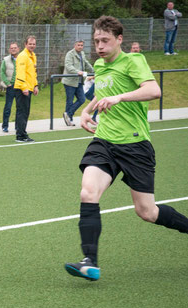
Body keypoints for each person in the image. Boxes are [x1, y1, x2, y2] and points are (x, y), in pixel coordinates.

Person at [65, 16, 188, 282]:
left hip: (135, 145)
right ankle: (89, 261)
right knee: (88, 192)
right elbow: (103, 90)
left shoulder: (134, 60)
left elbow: (154, 90)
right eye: (96, 41)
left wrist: (119, 98)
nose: (99, 46)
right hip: (105, 142)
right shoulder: (99, 64)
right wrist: (86, 111)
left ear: (119, 40)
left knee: (147, 212)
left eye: (105, 41)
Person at [61, 40, 94, 127]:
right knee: (70, 101)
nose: (80, 47)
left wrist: (94, 71)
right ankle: (69, 119)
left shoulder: (82, 54)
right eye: (78, 45)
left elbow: (86, 63)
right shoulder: (70, 54)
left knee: (82, 99)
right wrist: (77, 71)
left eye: (81, 45)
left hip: (79, 81)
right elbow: (68, 66)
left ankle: (68, 114)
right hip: (70, 81)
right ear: (75, 45)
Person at [13, 36, 38, 142]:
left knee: (25, 112)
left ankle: (22, 132)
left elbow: (33, 72)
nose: (32, 46)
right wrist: (24, 87)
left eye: (34, 44)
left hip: (29, 87)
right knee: (22, 112)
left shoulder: (33, 56)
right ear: (25, 44)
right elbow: (20, 73)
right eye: (30, 44)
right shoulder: (23, 56)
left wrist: (35, 85)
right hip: (22, 88)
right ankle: (20, 135)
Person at [0, 42, 20, 133]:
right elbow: (2, 73)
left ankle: (17, 126)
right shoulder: (6, 60)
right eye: (11, 48)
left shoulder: (22, 59)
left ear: (18, 49)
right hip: (11, 87)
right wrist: (7, 83)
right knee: (8, 107)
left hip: (19, 86)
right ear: (9, 50)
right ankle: (5, 126)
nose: (13, 49)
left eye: (15, 48)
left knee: (19, 108)